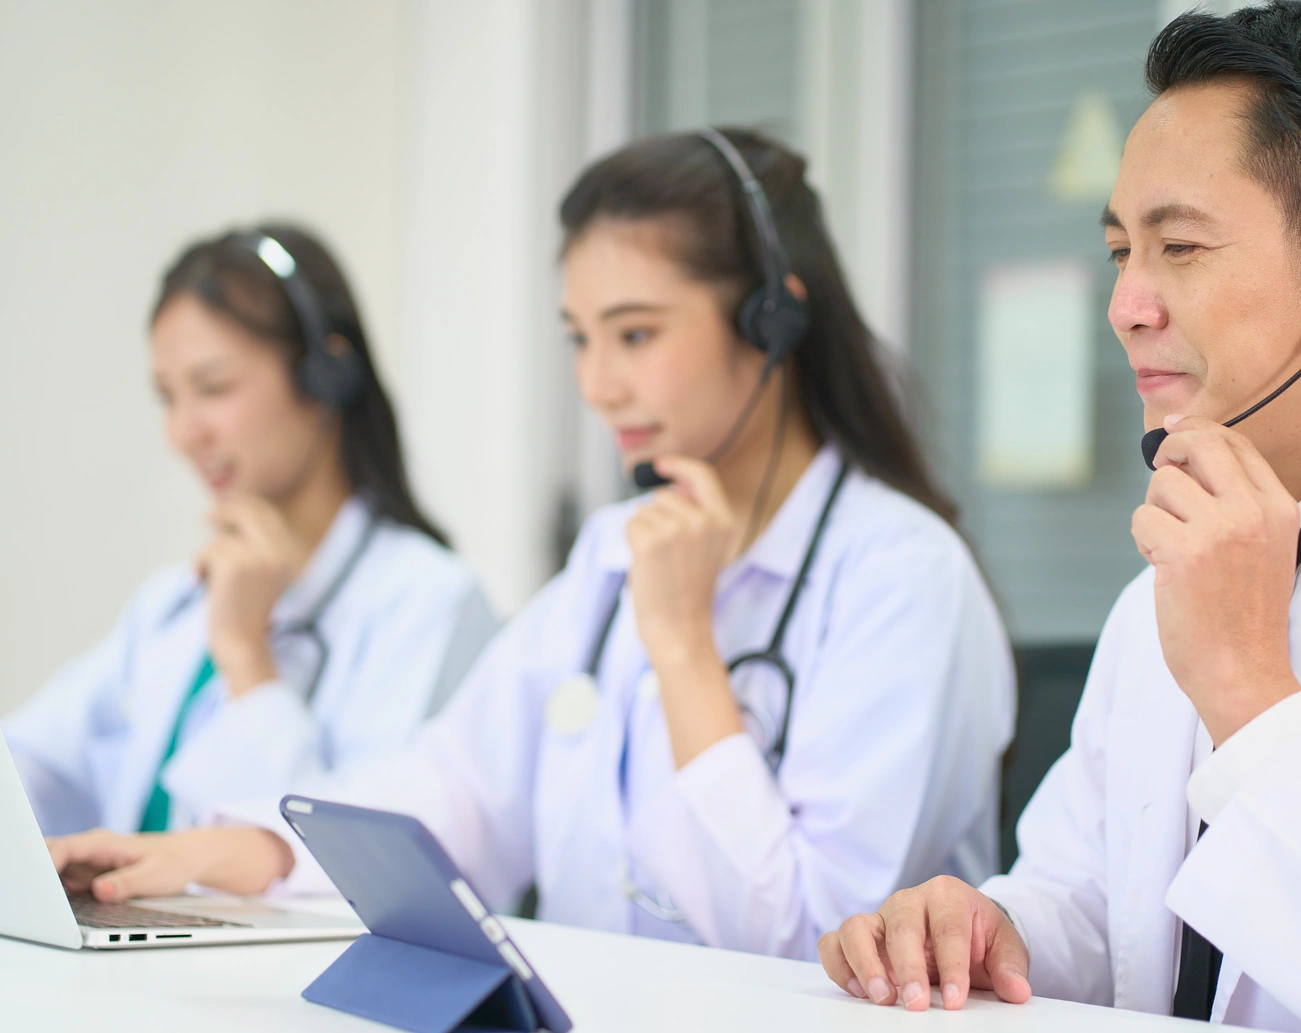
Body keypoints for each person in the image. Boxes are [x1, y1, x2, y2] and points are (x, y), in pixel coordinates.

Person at [46, 130, 1016, 962]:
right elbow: (448, 799)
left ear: (772, 320)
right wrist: (215, 854)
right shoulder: (611, 554)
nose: (596, 384)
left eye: (634, 335)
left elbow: (815, 935)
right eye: (579, 340)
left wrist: (681, 648)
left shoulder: (900, 575)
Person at [820, 4, 1301, 1030]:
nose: (1124, 304)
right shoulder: (1163, 584)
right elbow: (1094, 906)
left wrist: (1246, 692)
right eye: (1120, 249)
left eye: (1178, 246)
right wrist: (988, 930)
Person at [5, 224, 498, 838]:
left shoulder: (429, 604)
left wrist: (244, 656)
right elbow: (30, 765)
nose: (185, 433)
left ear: (325, 377)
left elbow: (364, 869)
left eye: (214, 389)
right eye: (168, 397)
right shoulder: (173, 604)